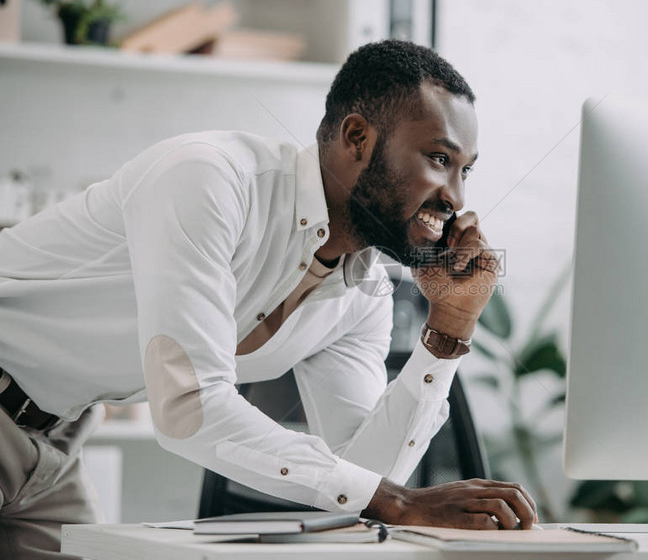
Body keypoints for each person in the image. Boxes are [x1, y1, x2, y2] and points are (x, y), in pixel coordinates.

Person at [0, 39, 537, 559]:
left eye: (465, 170)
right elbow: (190, 406)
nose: (456, 198)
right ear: (357, 138)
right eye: (439, 159)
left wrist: (449, 328)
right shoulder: (210, 179)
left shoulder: (360, 295)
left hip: (49, 442)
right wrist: (395, 502)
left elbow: (366, 477)